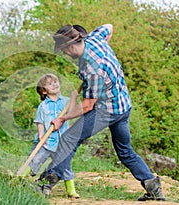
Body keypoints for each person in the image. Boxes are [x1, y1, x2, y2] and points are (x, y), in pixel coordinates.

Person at [36, 24, 165, 201]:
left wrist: (63, 118)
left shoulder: (91, 68)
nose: (64, 54)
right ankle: (154, 189)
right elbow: (109, 27)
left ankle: (45, 184)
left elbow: (88, 105)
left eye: (63, 50)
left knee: (69, 138)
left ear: (70, 46)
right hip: (123, 105)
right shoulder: (95, 39)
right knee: (125, 151)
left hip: (107, 110)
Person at [22, 73, 80, 198]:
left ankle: (71, 191)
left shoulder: (66, 101)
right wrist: (42, 137)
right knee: (35, 160)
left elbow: (72, 112)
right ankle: (21, 177)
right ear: (44, 91)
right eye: (49, 84)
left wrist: (74, 98)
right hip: (47, 141)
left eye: (55, 81)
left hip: (62, 143)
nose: (54, 84)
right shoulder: (43, 106)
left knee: (66, 166)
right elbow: (40, 122)